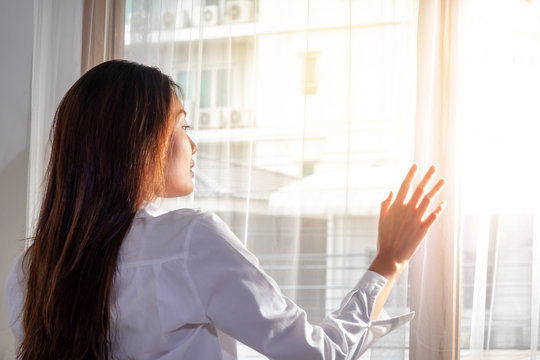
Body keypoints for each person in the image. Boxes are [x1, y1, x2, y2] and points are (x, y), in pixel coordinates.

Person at [5, 60, 446, 360]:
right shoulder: (189, 240)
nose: (193, 143)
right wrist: (389, 261)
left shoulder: (31, 272)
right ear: (137, 143)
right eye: (181, 125)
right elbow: (318, 354)